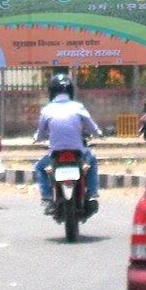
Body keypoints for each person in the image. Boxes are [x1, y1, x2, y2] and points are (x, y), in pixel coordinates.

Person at [34, 74, 102, 214]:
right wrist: (98, 133)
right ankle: (92, 194)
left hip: (55, 153)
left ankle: (47, 197)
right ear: (70, 91)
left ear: (51, 92)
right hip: (78, 151)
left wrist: (38, 138)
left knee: (39, 167)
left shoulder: (47, 110)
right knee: (92, 162)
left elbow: (40, 134)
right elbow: (91, 127)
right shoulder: (78, 107)